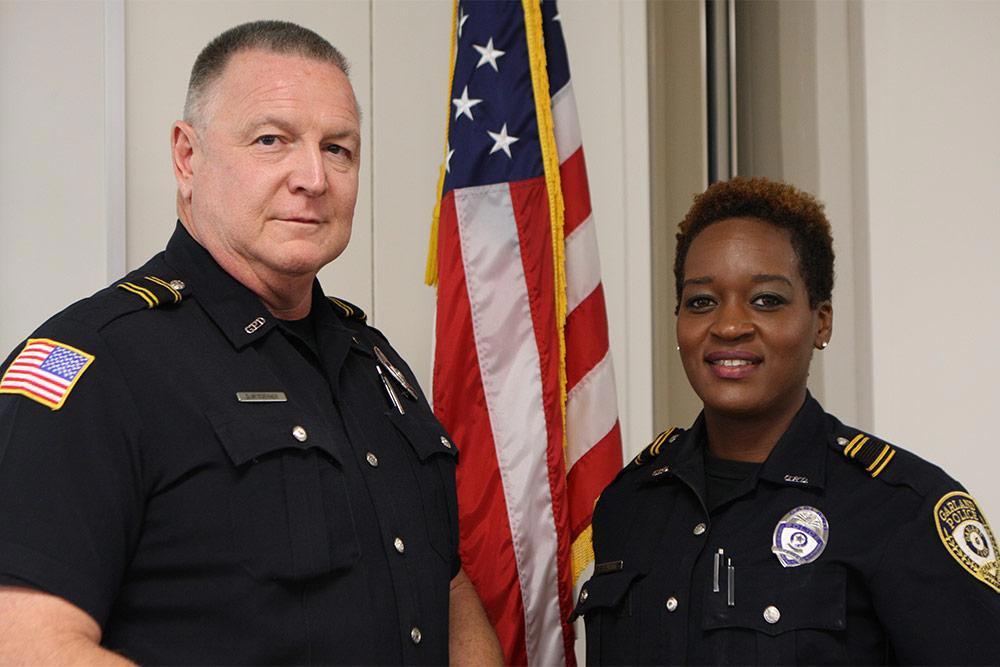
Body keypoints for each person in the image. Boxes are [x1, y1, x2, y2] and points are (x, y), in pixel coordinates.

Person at [0, 20, 501, 665]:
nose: (313, 178)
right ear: (187, 156)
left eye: (339, 149)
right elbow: (25, 644)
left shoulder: (375, 365)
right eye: (273, 140)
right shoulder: (100, 364)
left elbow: (447, 590)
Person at [573, 177, 1000, 664]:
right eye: (701, 302)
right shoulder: (629, 504)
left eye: (766, 301)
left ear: (821, 322)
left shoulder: (902, 510)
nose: (729, 325)